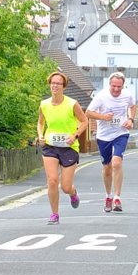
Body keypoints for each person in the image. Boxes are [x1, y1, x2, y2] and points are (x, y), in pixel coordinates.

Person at [37, 71, 88, 225]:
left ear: (64, 86)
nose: (55, 85)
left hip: (69, 147)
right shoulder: (44, 104)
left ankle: (73, 193)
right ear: (49, 84)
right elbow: (40, 123)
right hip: (50, 146)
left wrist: (75, 135)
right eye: (53, 83)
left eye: (58, 83)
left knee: (65, 186)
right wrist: (40, 135)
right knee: (52, 181)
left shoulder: (72, 104)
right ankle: (55, 214)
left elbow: (84, 121)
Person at [85, 72, 136, 213]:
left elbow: (133, 106)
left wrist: (131, 120)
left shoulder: (127, 95)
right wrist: (103, 116)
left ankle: (117, 198)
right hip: (104, 136)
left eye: (119, 87)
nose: (116, 89)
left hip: (121, 133)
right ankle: (108, 196)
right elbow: (88, 113)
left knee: (117, 163)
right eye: (114, 86)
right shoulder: (101, 97)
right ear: (109, 84)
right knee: (107, 168)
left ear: (123, 85)